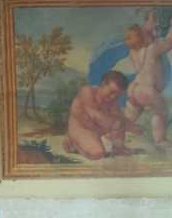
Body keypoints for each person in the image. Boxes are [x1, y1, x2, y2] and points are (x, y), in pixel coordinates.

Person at [63, 71, 140, 160]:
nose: (113, 97)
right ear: (103, 84)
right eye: (112, 92)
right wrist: (117, 124)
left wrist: (133, 127)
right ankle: (73, 142)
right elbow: (94, 115)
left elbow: (120, 118)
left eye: (118, 96)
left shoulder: (112, 101)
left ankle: (118, 148)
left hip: (97, 129)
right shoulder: (87, 91)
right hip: (82, 128)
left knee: (119, 121)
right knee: (98, 153)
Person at [123, 11, 172, 148]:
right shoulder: (152, 48)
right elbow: (169, 42)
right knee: (160, 111)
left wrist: (149, 31)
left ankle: (117, 130)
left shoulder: (133, 52)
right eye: (152, 31)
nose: (155, 32)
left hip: (134, 88)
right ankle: (160, 140)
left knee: (132, 113)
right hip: (148, 90)